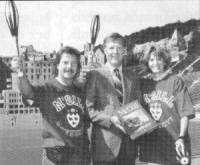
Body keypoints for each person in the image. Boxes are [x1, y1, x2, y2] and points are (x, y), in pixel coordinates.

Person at [11, 46, 90, 165]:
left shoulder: (81, 90)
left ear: (78, 67)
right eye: (65, 62)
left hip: (79, 156)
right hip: (56, 156)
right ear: (58, 65)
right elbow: (28, 93)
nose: (69, 67)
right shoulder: (47, 88)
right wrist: (20, 73)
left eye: (74, 63)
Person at [85, 33, 141, 165]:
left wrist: (134, 121)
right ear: (104, 50)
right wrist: (111, 119)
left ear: (124, 51)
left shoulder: (133, 76)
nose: (115, 52)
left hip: (129, 147)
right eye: (111, 48)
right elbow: (88, 110)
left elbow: (139, 105)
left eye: (119, 48)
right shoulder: (94, 75)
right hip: (104, 148)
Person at [139, 45, 194, 165]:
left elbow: (185, 113)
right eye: (151, 60)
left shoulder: (175, 81)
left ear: (165, 61)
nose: (155, 63)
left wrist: (181, 137)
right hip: (152, 146)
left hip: (175, 143)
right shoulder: (143, 84)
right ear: (147, 63)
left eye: (159, 59)